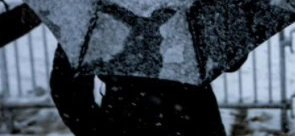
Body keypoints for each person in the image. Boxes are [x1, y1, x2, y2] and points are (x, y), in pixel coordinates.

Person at [50, 44, 247, 136]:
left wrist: (93, 129)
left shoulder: (99, 9)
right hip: (194, 120)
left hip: (125, 120)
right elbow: (231, 59)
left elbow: (67, 85)